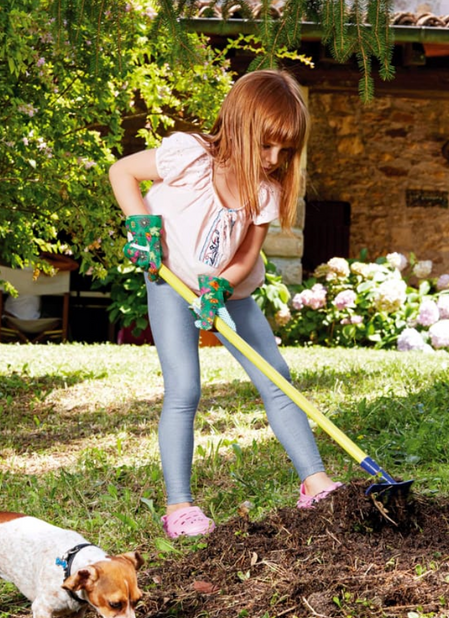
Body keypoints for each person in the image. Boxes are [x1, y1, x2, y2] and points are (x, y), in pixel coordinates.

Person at [109, 69, 342, 538]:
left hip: (229, 291)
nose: (275, 159)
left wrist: (220, 288)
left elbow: (246, 257)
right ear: (239, 125)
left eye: (286, 150)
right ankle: (180, 507)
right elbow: (122, 172)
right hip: (171, 283)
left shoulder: (266, 190)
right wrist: (142, 225)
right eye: (266, 145)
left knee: (277, 377)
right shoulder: (190, 157)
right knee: (185, 390)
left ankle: (315, 482)